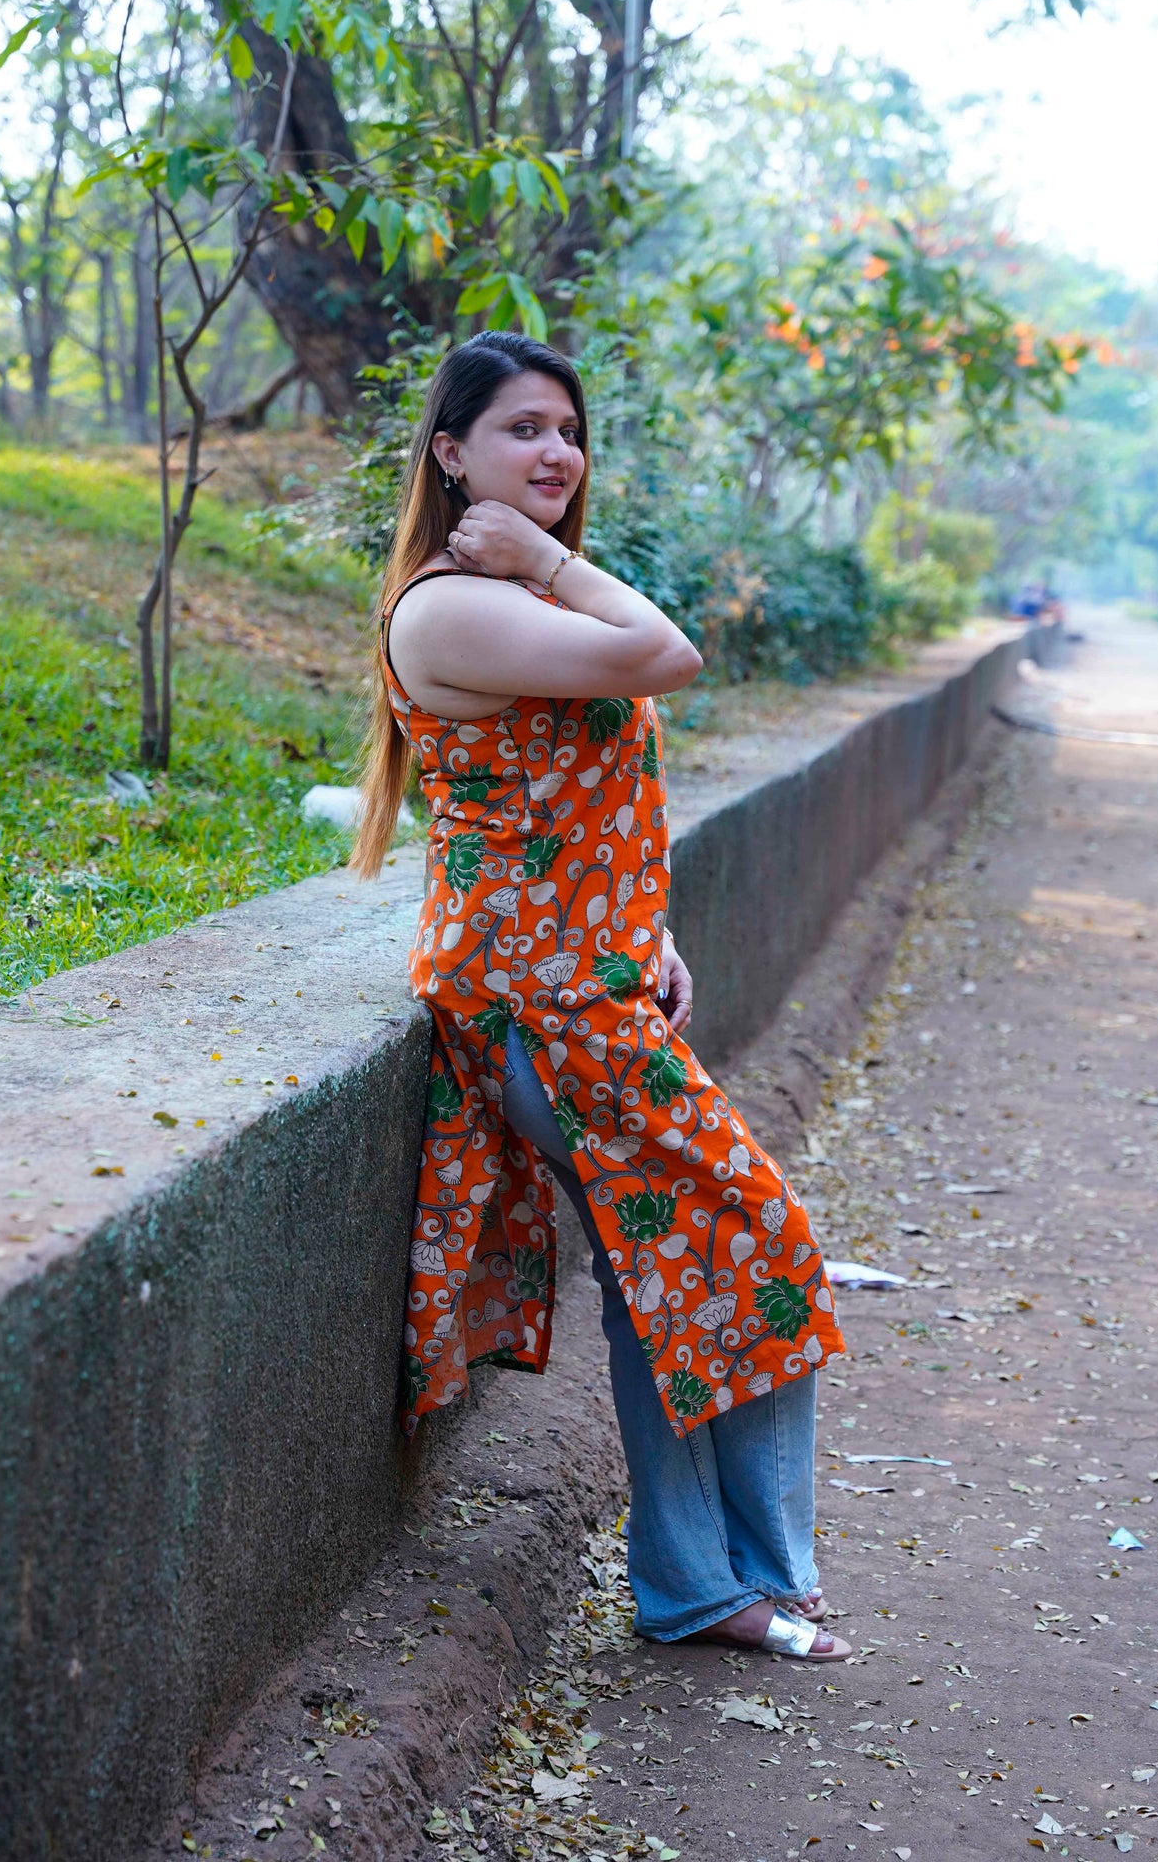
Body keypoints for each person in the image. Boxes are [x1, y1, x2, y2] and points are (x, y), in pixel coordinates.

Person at [352, 332, 850, 1660]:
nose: (555, 453)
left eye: (566, 429)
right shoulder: (452, 606)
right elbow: (666, 656)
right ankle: (707, 1583)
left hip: (582, 984)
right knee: (751, 1251)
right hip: (539, 1009)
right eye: (520, 429)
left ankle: (719, 1582)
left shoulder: (523, 596)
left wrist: (651, 923)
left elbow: (577, 786)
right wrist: (549, 559)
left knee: (674, 1274)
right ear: (450, 453)